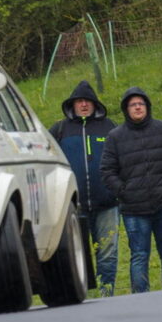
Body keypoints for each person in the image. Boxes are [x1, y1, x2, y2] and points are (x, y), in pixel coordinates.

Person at [100, 87, 162, 293]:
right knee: (139, 256)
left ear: (147, 106)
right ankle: (140, 299)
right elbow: (106, 170)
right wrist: (123, 192)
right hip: (133, 209)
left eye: (141, 103)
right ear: (126, 109)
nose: (138, 107)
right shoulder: (115, 136)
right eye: (133, 104)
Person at [49, 80, 119, 296]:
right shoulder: (60, 130)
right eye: (79, 101)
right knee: (77, 253)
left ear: (95, 104)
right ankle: (81, 295)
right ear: (72, 104)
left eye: (88, 101)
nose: (84, 105)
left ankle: (107, 292)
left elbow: (122, 159)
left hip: (108, 203)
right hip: (74, 206)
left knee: (108, 252)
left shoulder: (110, 127)